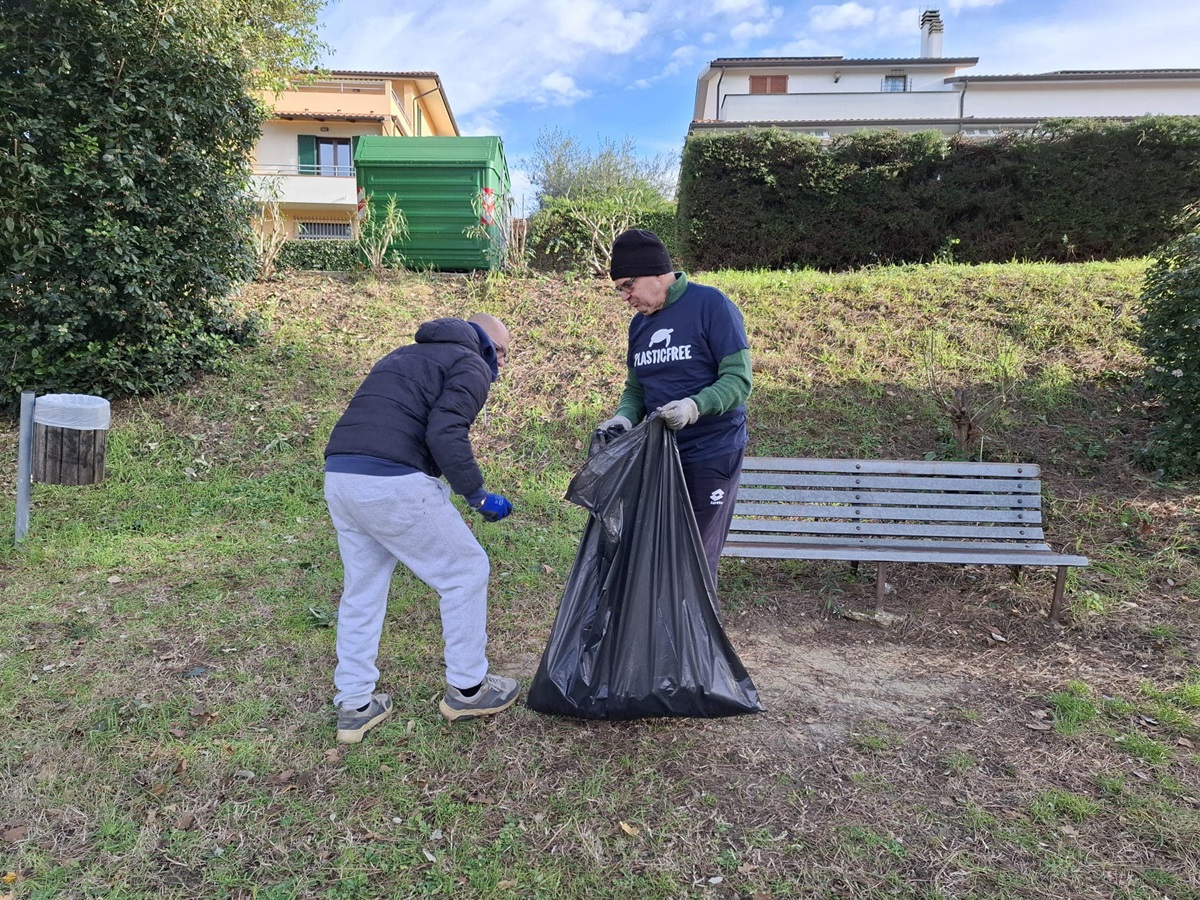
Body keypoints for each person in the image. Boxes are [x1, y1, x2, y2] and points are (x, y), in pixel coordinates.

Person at [323, 313, 520, 743]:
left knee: (363, 589)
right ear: (486, 345)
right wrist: (478, 496)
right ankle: (469, 689)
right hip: (393, 482)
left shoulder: (403, 354)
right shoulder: (471, 363)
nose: (500, 365)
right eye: (501, 353)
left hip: (341, 476)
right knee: (465, 570)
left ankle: (354, 704)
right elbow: (446, 433)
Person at [596, 229, 752, 583]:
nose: (625, 297)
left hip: (712, 452)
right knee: (657, 553)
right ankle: (660, 635)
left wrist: (693, 407)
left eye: (627, 285)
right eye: (620, 289)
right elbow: (636, 387)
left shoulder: (712, 306)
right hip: (661, 455)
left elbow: (739, 381)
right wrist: (623, 417)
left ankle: (692, 636)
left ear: (655, 272)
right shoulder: (640, 326)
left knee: (694, 557)